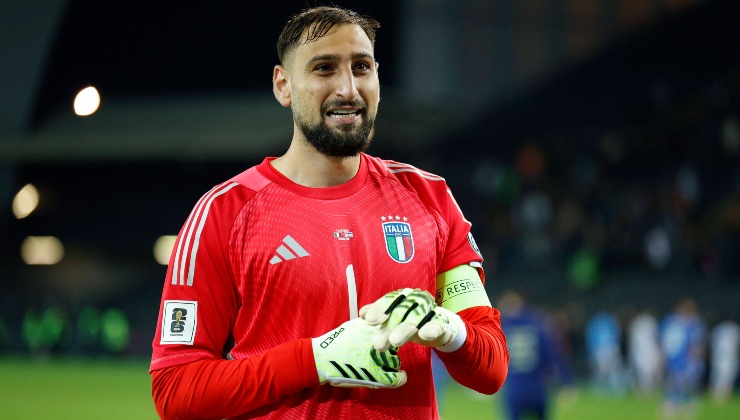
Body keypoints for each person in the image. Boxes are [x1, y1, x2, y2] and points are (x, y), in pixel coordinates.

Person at [149, 5, 508, 419]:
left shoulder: (429, 197)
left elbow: (491, 371)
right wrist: (317, 358)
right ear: (283, 85)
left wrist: (450, 330)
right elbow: (175, 391)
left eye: (361, 67)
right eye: (324, 68)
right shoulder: (224, 212)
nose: (348, 89)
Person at [497, 291, 574, 420]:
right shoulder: (537, 325)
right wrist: (567, 380)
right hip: (538, 388)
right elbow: (554, 355)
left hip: (514, 389)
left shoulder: (501, 328)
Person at [659, 298, 706, 419]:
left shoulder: (691, 324)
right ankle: (676, 409)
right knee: (678, 385)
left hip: (684, 360)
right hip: (679, 360)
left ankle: (682, 409)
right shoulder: (681, 323)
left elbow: (697, 345)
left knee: (684, 385)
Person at [627, 309, 663, 395]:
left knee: (650, 372)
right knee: (644, 372)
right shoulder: (640, 324)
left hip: (649, 351)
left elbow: (656, 339)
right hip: (642, 352)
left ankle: (648, 390)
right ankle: (644, 390)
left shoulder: (648, 323)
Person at [708, 313, 739, 405]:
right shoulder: (735, 328)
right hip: (728, 355)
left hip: (719, 354)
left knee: (718, 375)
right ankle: (721, 396)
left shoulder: (719, 328)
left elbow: (711, 341)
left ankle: (718, 395)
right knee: (725, 375)